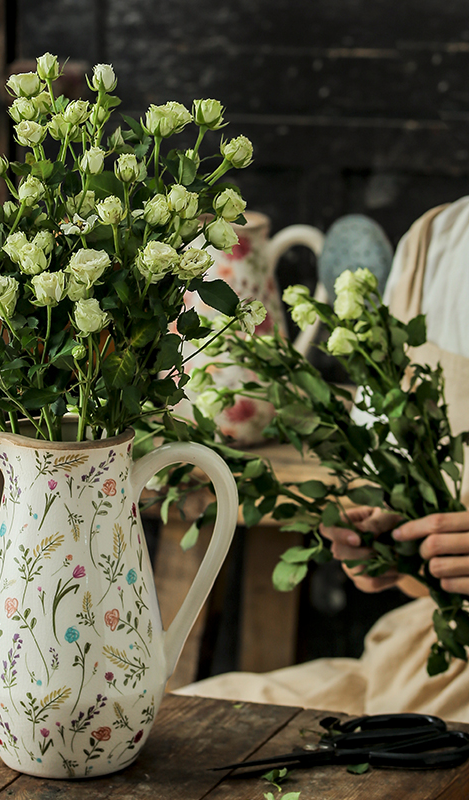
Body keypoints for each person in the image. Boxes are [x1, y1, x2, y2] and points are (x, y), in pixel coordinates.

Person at [175, 196, 469, 722]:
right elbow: (425, 564)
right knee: (172, 722)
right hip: (416, 668)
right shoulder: (435, 244)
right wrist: (395, 549)